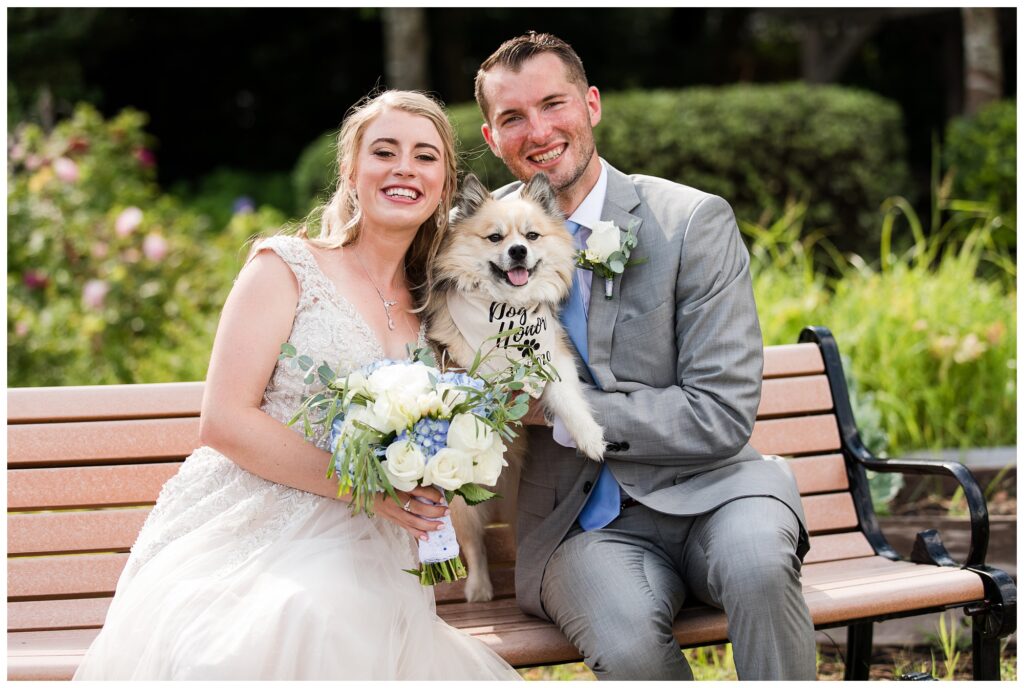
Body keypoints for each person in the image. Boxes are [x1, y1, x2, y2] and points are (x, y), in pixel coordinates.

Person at [73, 90, 521, 681]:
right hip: (253, 525)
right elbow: (224, 419)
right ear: (350, 170)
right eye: (384, 152)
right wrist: (363, 490)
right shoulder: (285, 267)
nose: (405, 168)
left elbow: (480, 404)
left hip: (373, 545)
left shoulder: (438, 307)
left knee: (337, 611)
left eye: (425, 156)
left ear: (444, 181)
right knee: (294, 618)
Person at [474, 32, 817, 680]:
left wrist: (565, 412)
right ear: (493, 138)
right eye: (513, 117)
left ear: (592, 105)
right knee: (628, 643)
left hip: (719, 491)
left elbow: (720, 412)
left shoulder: (690, 222)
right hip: (582, 526)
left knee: (758, 565)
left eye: (554, 104)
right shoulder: (478, 244)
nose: (539, 130)